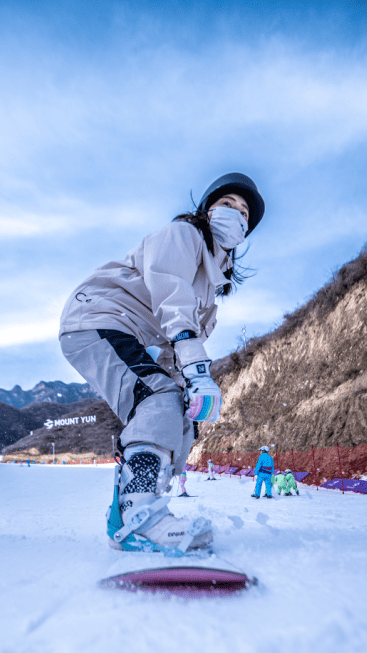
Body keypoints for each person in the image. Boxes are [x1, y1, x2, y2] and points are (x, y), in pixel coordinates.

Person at [59, 172, 265, 553]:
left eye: (244, 213)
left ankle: (133, 509)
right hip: (99, 319)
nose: (236, 215)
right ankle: (140, 514)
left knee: (174, 414)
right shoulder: (183, 236)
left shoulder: (210, 293)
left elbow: (176, 350)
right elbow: (171, 299)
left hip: (124, 330)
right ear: (206, 211)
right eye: (227, 204)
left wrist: (188, 397)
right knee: (158, 400)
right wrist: (196, 372)